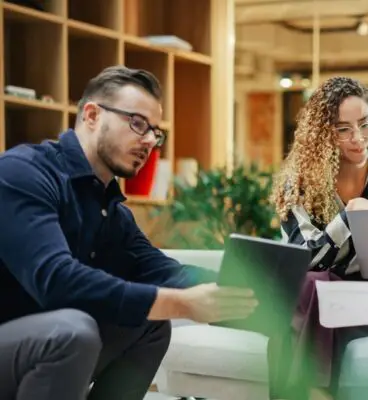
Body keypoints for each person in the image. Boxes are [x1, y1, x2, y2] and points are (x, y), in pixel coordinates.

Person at [0, 66, 257, 400]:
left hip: (40, 346)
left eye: (155, 131)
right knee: (73, 333)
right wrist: (180, 304)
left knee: (149, 325)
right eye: (137, 123)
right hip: (14, 341)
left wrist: (251, 286)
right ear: (92, 115)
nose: (150, 140)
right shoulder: (23, 173)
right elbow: (57, 281)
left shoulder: (113, 211)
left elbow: (163, 271)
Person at [270, 76, 368, 394]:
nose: (358, 138)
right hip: (310, 298)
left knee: (320, 289)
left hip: (365, 299)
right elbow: (304, 257)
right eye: (343, 129)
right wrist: (348, 218)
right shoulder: (301, 178)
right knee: (315, 283)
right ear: (324, 134)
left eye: (365, 124)